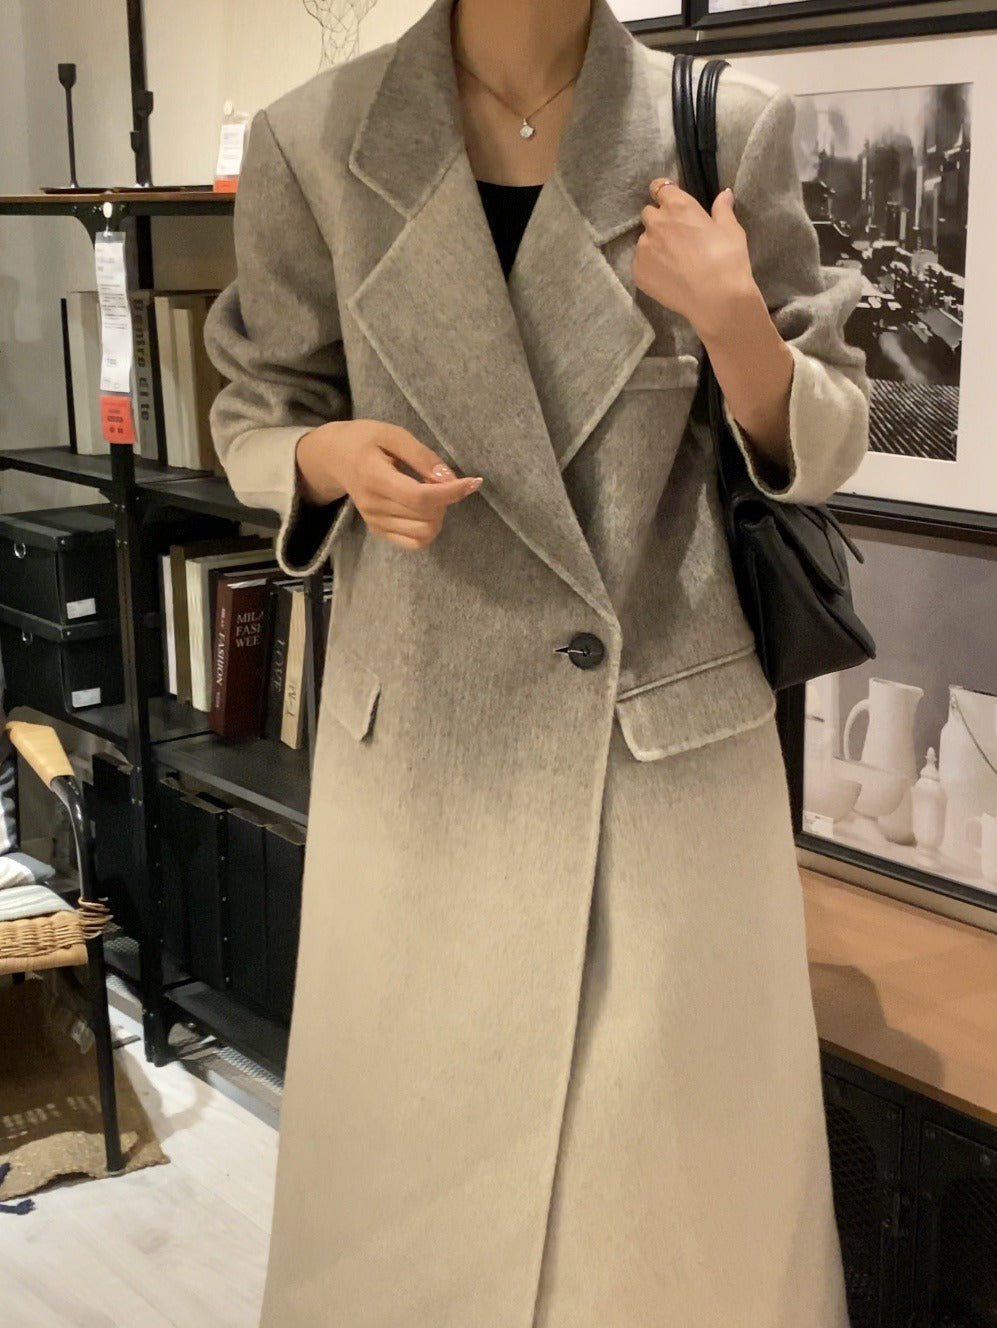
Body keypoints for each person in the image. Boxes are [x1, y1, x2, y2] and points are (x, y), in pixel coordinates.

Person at [203, 0, 869, 1323]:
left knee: (669, 1236)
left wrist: (734, 321)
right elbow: (257, 410)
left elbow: (834, 433)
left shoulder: (720, 126)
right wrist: (329, 461)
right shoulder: (315, 139)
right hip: (425, 757)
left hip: (658, 757)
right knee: (412, 1226)